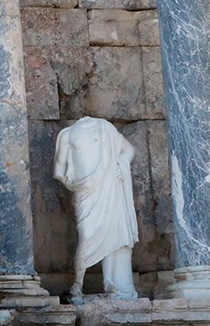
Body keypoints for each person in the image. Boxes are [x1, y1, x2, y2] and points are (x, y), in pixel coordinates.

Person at [53, 116, 138, 301]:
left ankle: (112, 281)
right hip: (85, 191)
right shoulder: (67, 134)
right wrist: (73, 183)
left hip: (109, 188)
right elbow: (58, 171)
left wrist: (119, 165)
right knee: (87, 235)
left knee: (113, 232)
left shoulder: (106, 129)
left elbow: (129, 150)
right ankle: (78, 283)